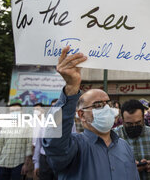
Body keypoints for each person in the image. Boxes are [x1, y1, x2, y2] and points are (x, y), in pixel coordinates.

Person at [42, 46, 139, 179]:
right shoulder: (75, 146)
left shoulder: (124, 146)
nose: (106, 109)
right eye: (98, 105)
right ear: (81, 115)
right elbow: (54, 144)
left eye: (108, 103)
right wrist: (71, 88)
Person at [115, 99, 150, 180]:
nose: (134, 126)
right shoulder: (113, 136)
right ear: (122, 120)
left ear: (143, 118)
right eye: (129, 124)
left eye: (138, 123)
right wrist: (127, 168)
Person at [0, 103, 32, 180]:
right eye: (12, 111)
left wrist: (26, 164)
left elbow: (28, 147)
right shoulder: (5, 126)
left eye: (17, 110)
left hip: (18, 163)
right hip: (2, 163)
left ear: (21, 112)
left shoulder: (28, 126)